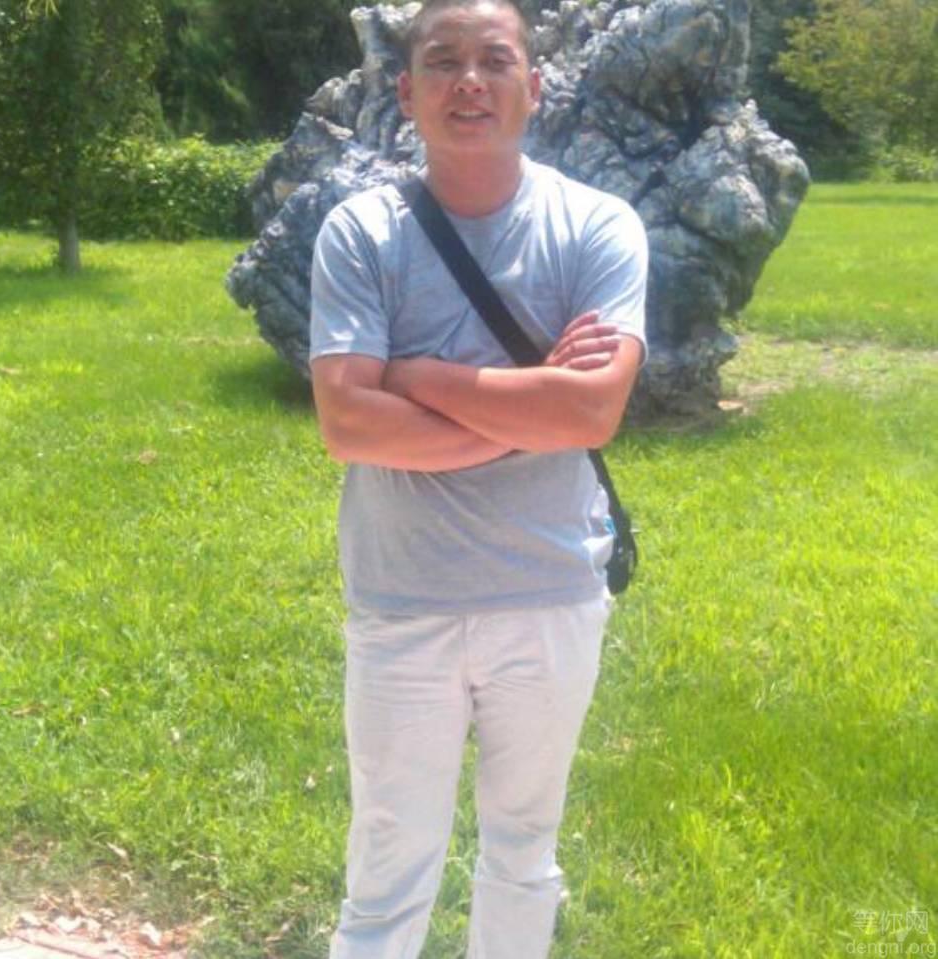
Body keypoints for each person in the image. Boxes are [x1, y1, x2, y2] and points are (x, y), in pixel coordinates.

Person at [309, 0, 648, 955]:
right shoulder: (360, 233)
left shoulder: (597, 227)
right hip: (402, 598)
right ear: (405, 91)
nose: (469, 81)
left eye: (494, 61)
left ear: (533, 88)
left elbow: (590, 414)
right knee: (385, 868)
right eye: (443, 61)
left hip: (547, 592)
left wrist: (415, 377)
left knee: (522, 853)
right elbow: (347, 423)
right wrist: (526, 409)